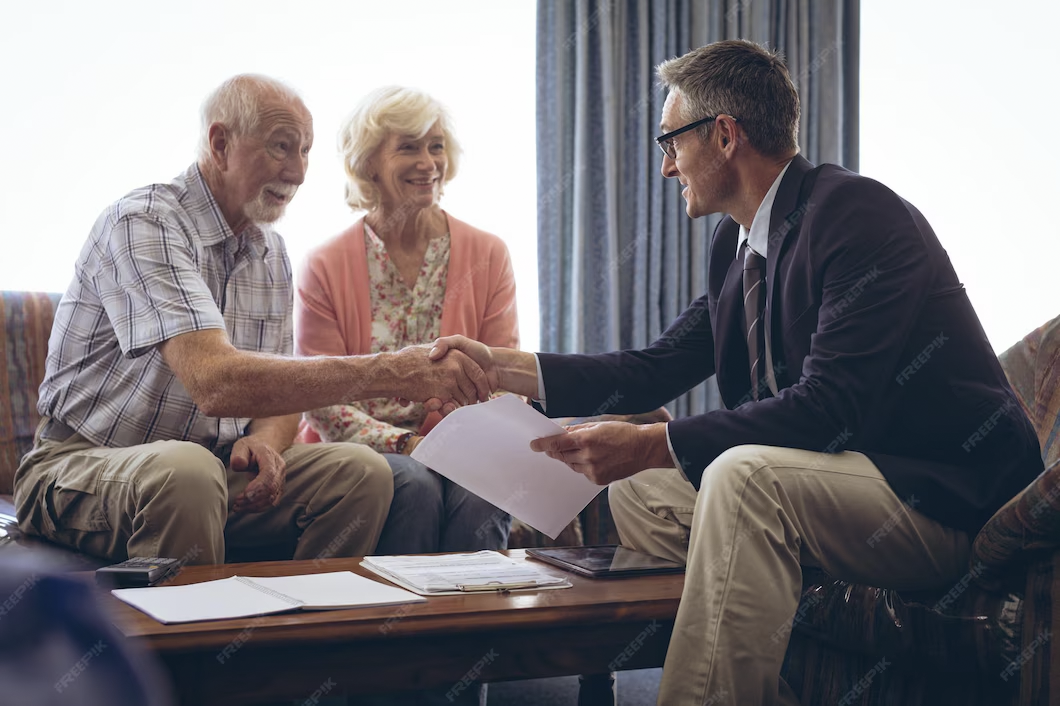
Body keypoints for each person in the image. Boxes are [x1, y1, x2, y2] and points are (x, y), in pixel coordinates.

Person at [427, 40, 1044, 705]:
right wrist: (500, 368)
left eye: (672, 143)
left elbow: (830, 406)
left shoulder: (858, 216)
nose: (667, 168)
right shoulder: (738, 246)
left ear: (724, 135)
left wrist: (650, 442)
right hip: (843, 495)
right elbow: (651, 369)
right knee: (642, 490)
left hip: (940, 504)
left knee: (742, 479)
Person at [13, 74, 491, 567]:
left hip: (212, 465)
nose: (299, 171)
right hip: (81, 464)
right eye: (282, 147)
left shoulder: (271, 250)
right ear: (220, 144)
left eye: (305, 151)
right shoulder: (145, 223)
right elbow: (215, 383)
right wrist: (393, 372)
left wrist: (265, 443)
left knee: (364, 472)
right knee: (187, 470)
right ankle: (199, 640)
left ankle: (313, 638)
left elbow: (283, 398)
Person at [295, 86, 516, 556]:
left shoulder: (489, 254)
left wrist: (455, 440)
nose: (428, 163)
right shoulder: (324, 264)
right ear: (370, 162)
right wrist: (408, 444)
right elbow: (320, 398)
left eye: (435, 146)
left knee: (486, 490)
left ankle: (476, 622)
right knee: (413, 485)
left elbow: (505, 376)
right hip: (363, 448)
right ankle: (399, 625)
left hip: (464, 441)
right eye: (409, 147)